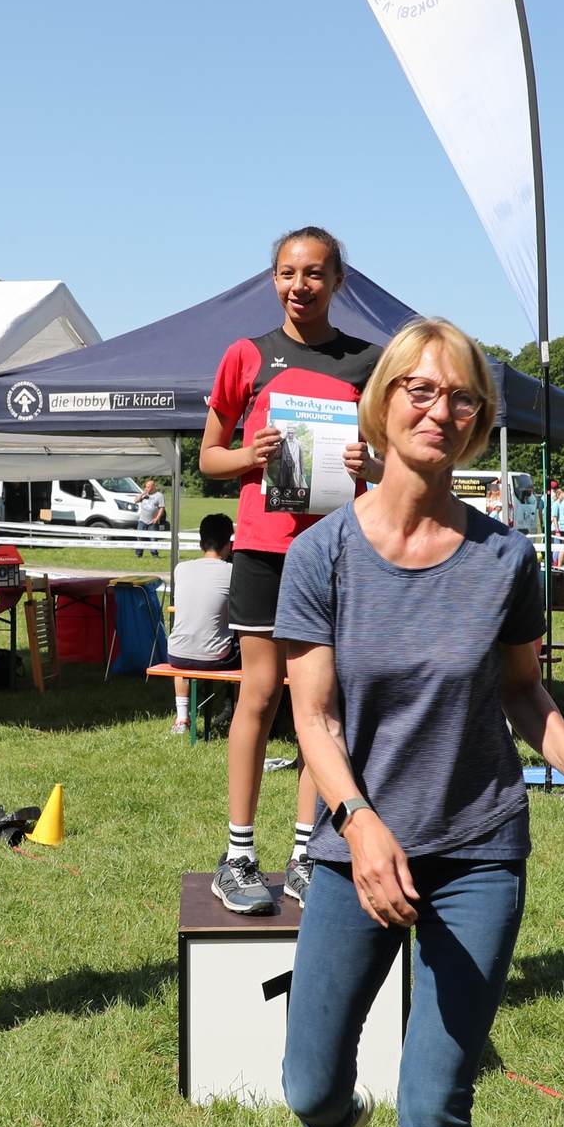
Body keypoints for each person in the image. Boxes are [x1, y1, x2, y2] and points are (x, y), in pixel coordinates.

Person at [273, 317, 564, 1127]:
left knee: (434, 1099)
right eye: (420, 389)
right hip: (357, 848)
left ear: (479, 422)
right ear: (382, 403)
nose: (440, 409)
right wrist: (358, 822)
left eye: (463, 396)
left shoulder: (506, 558)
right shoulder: (321, 556)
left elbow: (522, 687)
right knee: (308, 1078)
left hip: (478, 850)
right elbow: (314, 718)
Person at [200, 227, 383, 916]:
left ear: (337, 280)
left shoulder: (368, 362)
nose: (298, 285)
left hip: (336, 550)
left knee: (319, 702)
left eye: (312, 273)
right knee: (258, 695)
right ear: (273, 279)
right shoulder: (246, 355)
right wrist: (250, 455)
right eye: (286, 273)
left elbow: (391, 461)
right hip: (263, 548)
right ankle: (238, 856)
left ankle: (308, 855)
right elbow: (209, 457)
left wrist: (372, 465)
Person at [167, 513, 239, 735]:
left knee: (186, 640)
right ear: (229, 545)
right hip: (216, 657)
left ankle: (182, 718)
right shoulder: (233, 572)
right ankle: (239, 717)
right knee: (251, 655)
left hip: (176, 655)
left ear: (201, 543)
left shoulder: (181, 568)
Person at [135, 478, 167, 557]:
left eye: (148, 487)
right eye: (146, 487)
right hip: (142, 520)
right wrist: (142, 494)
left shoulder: (159, 495)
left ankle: (154, 554)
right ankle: (138, 554)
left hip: (152, 522)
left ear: (153, 487)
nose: (147, 488)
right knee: (140, 538)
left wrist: (157, 518)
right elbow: (136, 500)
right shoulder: (144, 495)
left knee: (153, 539)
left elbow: (162, 508)